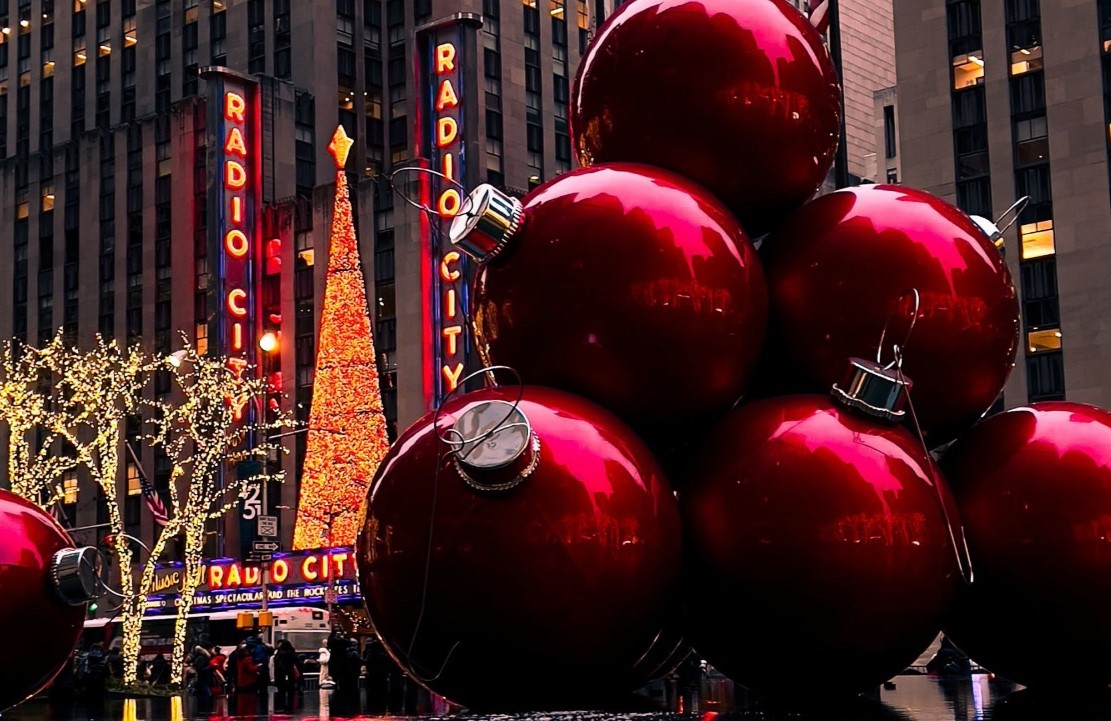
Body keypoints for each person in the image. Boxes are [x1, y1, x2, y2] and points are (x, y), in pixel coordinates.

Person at [273, 639, 301, 709]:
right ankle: (290, 706)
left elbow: (275, 662)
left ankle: (281, 705)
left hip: (280, 674)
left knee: (281, 690)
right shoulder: (291, 652)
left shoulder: (279, 653)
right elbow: (297, 661)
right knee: (290, 690)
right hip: (289, 673)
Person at [83, 643, 109, 715]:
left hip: (90, 685)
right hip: (100, 685)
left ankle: (90, 715)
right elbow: (107, 674)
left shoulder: (87, 660)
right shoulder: (103, 662)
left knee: (89, 705)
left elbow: (84, 673)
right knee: (99, 704)